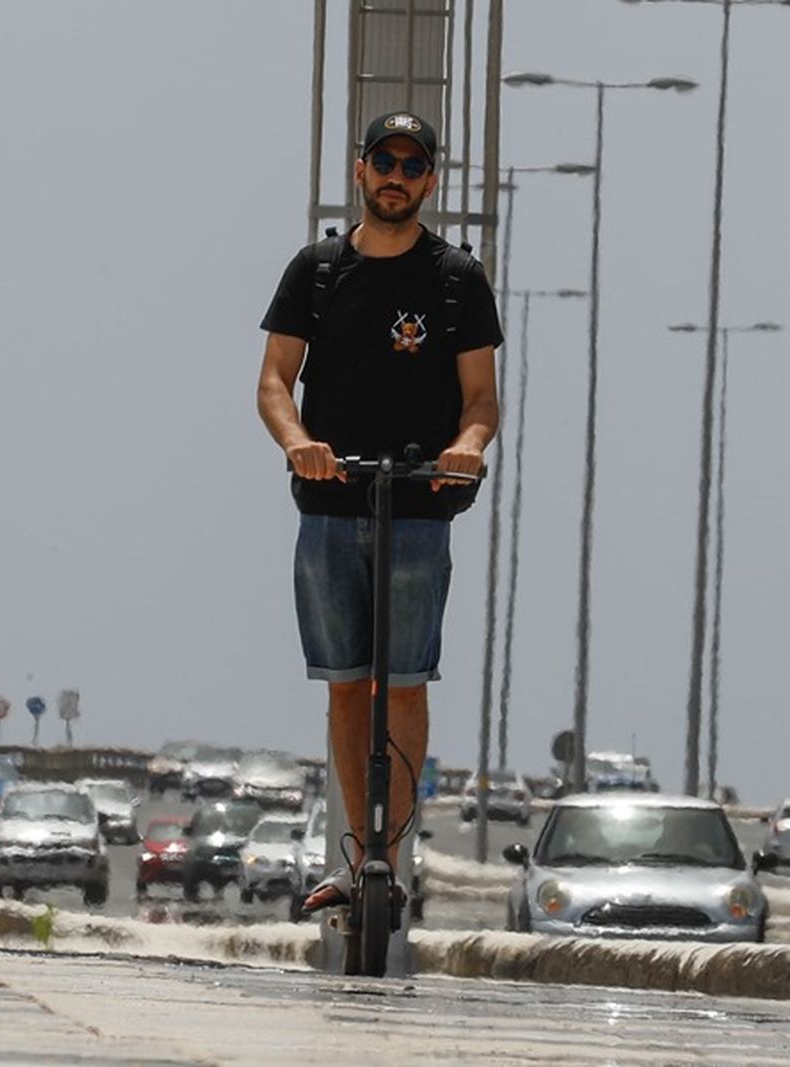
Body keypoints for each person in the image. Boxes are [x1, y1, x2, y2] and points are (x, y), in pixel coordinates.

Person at [255, 111, 503, 913]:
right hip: (329, 505)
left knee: (403, 686)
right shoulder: (316, 271)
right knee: (343, 684)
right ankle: (348, 853)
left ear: (430, 180)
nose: (397, 175)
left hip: (419, 511)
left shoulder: (457, 280)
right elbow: (273, 382)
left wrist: (465, 448)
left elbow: (481, 401)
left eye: (413, 164)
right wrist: (298, 441)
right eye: (384, 161)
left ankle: (387, 862)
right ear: (360, 170)